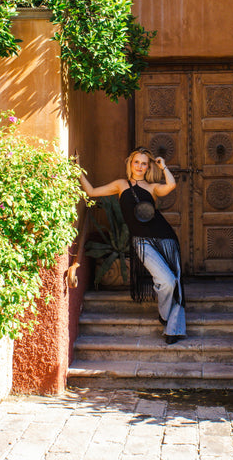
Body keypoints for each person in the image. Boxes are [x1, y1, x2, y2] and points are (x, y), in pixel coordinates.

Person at [78, 147, 186, 344]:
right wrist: (78, 171)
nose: (140, 166)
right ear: (130, 163)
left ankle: (172, 326)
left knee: (174, 282)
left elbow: (170, 185)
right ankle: (164, 315)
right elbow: (91, 191)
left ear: (147, 166)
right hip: (141, 241)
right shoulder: (121, 185)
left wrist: (164, 167)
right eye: (137, 162)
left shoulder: (152, 187)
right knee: (166, 280)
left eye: (144, 163)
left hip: (165, 238)